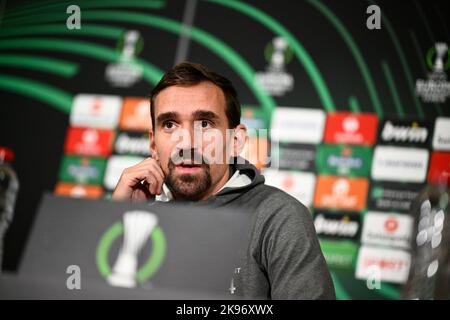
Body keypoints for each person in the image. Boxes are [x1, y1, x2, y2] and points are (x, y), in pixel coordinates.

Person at [112, 61, 335, 299]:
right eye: (169, 124)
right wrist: (113, 220)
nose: (186, 143)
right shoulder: (136, 219)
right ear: (154, 145)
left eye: (205, 124)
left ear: (235, 141)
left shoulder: (278, 216)